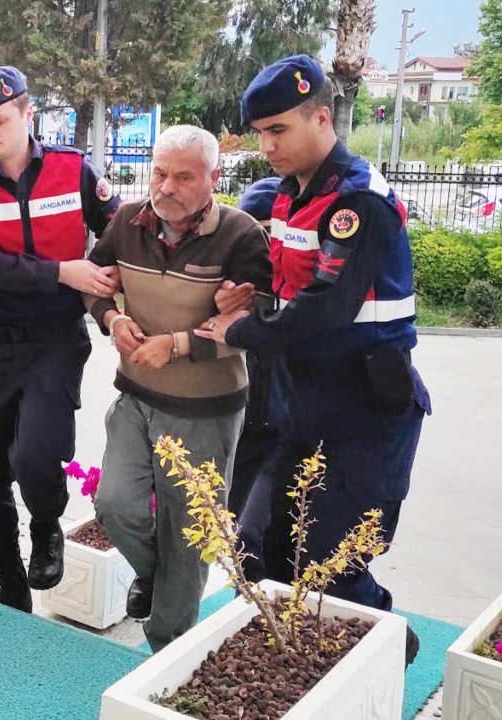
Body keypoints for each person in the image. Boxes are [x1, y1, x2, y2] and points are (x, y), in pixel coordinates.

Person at [195, 55, 431, 665]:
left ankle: (387, 645)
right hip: (302, 404)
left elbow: (326, 309)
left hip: (365, 411)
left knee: (328, 562)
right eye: (260, 132)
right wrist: (247, 297)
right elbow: (291, 287)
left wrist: (242, 329)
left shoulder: (358, 203)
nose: (266, 145)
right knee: (259, 549)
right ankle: (305, 662)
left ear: (321, 118)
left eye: (279, 130)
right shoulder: (290, 197)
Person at [0, 66, 121, 613]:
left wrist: (113, 287)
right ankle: (9, 577)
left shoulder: (74, 170)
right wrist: (63, 271)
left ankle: (46, 527)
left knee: (38, 453)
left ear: (26, 114)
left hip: (54, 340)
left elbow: (119, 232)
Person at [83, 125, 272, 652]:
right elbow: (97, 287)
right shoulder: (125, 222)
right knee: (115, 503)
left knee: (190, 536)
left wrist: (179, 344)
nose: (165, 186)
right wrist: (113, 322)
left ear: (214, 178)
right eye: (159, 173)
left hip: (206, 410)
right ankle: (156, 578)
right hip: (137, 396)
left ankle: (166, 656)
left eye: (183, 177)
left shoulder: (241, 235)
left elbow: (256, 327)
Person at [216, 177, 286, 583]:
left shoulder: (307, 294)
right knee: (237, 546)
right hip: (243, 434)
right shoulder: (231, 283)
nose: (267, 246)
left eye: (275, 232)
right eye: (256, 232)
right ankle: (268, 628)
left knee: (253, 540)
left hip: (291, 436)